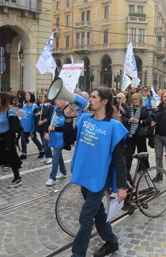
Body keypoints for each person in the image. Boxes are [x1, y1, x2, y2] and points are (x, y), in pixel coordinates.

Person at [62, 88, 127, 257]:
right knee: (98, 213)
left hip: (99, 178)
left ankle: (77, 254)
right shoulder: (84, 119)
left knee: (85, 217)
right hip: (84, 174)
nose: (89, 99)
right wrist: (69, 119)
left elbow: (120, 160)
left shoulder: (114, 126)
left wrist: (122, 186)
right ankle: (112, 241)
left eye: (93, 97)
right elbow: (69, 140)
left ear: (104, 101)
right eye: (89, 96)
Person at [122, 93, 151, 183]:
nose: (135, 101)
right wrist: (129, 120)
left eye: (137, 99)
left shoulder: (144, 109)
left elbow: (148, 120)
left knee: (142, 152)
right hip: (130, 135)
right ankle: (126, 172)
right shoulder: (128, 109)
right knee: (128, 154)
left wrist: (140, 121)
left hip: (140, 135)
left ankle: (145, 168)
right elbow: (124, 119)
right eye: (134, 99)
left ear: (140, 100)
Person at [44, 99, 69, 186]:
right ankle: (63, 171)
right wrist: (47, 132)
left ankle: (52, 177)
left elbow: (67, 127)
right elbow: (50, 122)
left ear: (65, 102)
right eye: (56, 100)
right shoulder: (54, 110)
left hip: (61, 137)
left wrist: (54, 129)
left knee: (55, 155)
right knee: (58, 155)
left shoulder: (67, 111)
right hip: (54, 136)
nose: (57, 102)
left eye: (59, 100)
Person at [20, 92, 45, 159]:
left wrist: (37, 114)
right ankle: (24, 153)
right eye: (26, 95)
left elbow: (36, 116)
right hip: (24, 126)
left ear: (31, 97)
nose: (26, 96)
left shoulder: (34, 106)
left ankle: (42, 150)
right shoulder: (24, 105)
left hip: (31, 126)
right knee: (23, 140)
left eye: (28, 95)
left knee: (34, 139)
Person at [35, 92, 53, 164]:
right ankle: (46, 155)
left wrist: (42, 121)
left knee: (46, 142)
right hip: (41, 127)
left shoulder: (50, 107)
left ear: (46, 98)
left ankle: (50, 156)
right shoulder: (40, 106)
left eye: (42, 97)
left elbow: (50, 117)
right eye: (40, 96)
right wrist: (37, 114)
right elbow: (35, 114)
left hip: (46, 127)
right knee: (43, 142)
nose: (40, 98)